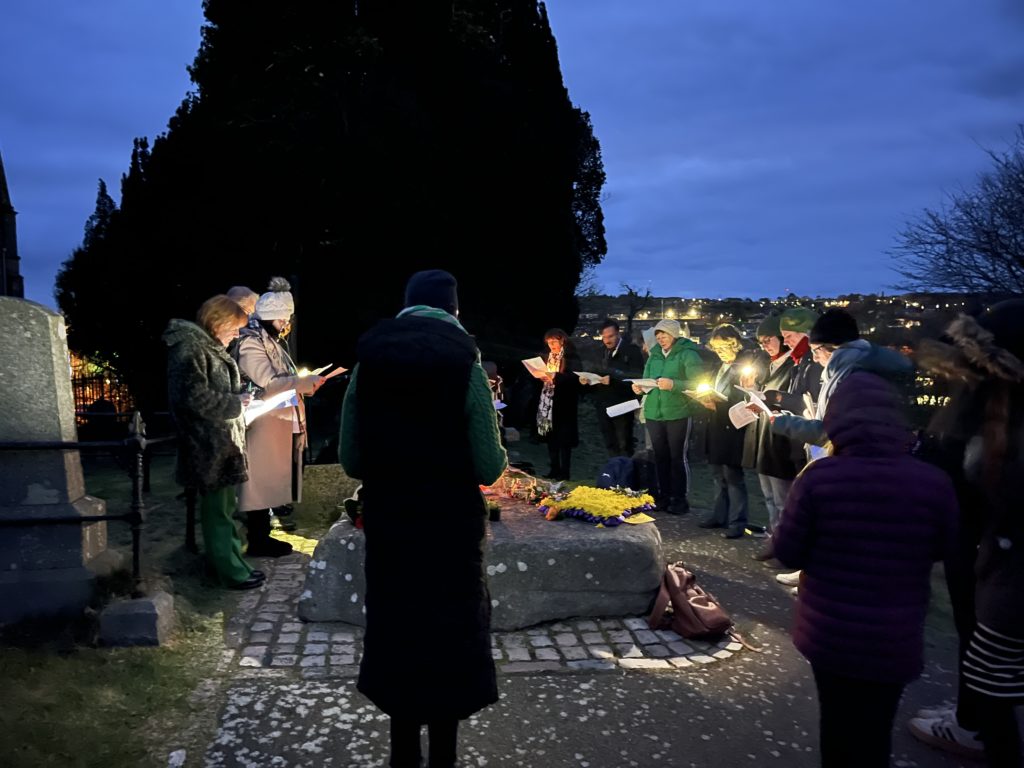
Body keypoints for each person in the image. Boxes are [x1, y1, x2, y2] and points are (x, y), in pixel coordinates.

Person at [339, 268, 508, 768]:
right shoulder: (467, 367)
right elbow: (488, 464)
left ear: (406, 308)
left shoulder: (368, 365)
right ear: (454, 312)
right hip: (450, 525)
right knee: (449, 634)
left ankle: (402, 756)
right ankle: (444, 760)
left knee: (399, 630)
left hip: (392, 521)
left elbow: (351, 458)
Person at [773, 371, 958, 768]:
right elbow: (946, 548)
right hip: (895, 635)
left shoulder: (819, 478)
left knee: (837, 726)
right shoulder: (933, 482)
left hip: (831, 632)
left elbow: (788, 552)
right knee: (876, 730)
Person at [909, 300, 1024, 766]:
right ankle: (969, 714)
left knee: (991, 669)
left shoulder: (1007, 425)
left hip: (1001, 565)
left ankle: (976, 727)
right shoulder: (998, 414)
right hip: (987, 550)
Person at [163, 295, 264, 590]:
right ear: (218, 322)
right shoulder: (190, 347)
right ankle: (229, 569)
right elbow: (193, 398)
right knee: (218, 511)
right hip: (208, 445)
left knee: (225, 508)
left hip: (219, 444)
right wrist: (235, 403)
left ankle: (235, 563)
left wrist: (238, 401)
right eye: (235, 328)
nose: (236, 335)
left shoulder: (203, 346)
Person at [234, 277, 325, 557]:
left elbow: (283, 378)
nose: (286, 325)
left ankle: (263, 535)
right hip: (263, 420)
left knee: (269, 481)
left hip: (277, 418)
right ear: (272, 317)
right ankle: (258, 539)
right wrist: (302, 382)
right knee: (259, 483)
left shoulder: (270, 340)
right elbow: (269, 381)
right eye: (283, 320)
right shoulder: (251, 342)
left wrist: (305, 383)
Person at [631, 318, 704, 514]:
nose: (661, 338)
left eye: (664, 335)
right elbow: (647, 380)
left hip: (678, 412)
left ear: (675, 335)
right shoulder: (654, 356)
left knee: (677, 457)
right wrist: (639, 388)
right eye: (658, 335)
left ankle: (679, 499)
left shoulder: (688, 355)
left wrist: (674, 385)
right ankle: (663, 497)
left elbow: (698, 384)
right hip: (655, 413)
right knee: (660, 457)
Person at [740, 315, 797, 559]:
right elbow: (764, 397)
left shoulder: (793, 366)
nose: (765, 345)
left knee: (784, 500)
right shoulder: (770, 365)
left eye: (769, 339)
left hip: (782, 440)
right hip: (765, 437)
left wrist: (767, 398)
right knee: (769, 496)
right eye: (761, 342)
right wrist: (751, 392)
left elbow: (789, 400)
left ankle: (787, 549)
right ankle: (773, 542)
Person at [698, 324, 756, 538]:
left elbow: (746, 400)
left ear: (734, 344)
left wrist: (718, 405)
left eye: (722, 347)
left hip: (733, 428)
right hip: (715, 427)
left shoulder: (744, 367)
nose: (719, 351)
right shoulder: (718, 366)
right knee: (717, 475)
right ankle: (719, 515)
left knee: (733, 476)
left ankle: (737, 522)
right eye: (715, 347)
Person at [581, 319, 644, 458]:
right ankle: (614, 472)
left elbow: (637, 376)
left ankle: (626, 475)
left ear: (618, 334)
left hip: (623, 403)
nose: (607, 340)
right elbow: (594, 371)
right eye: (604, 337)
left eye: (610, 336)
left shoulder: (631, 351)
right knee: (609, 441)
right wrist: (587, 381)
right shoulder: (600, 352)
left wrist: (614, 380)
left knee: (624, 443)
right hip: (603, 402)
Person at [533, 328, 582, 480]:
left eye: (554, 341)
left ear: (562, 341)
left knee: (564, 440)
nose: (551, 345)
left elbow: (575, 378)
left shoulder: (571, 357)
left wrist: (556, 377)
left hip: (565, 403)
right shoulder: (546, 356)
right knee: (551, 438)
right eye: (549, 342)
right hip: (548, 403)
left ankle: (565, 472)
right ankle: (554, 468)